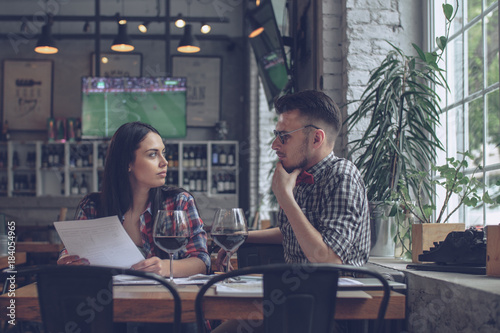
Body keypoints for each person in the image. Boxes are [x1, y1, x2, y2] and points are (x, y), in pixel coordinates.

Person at [212, 90, 370, 333]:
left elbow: (328, 260)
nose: (275, 145)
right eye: (277, 135)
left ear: (316, 138)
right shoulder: (299, 174)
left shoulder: (342, 175)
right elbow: (292, 232)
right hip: (291, 304)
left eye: (283, 137)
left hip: (329, 317)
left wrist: (285, 198)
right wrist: (239, 239)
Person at [58, 121, 210, 276]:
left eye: (163, 152)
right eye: (152, 154)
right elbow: (71, 253)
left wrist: (166, 267)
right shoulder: (92, 207)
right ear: (127, 163)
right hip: (112, 298)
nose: (164, 162)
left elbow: (202, 261)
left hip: (165, 298)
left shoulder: (180, 202)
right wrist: (68, 260)